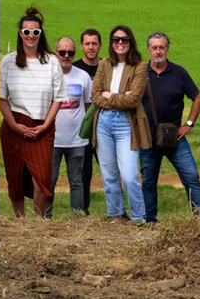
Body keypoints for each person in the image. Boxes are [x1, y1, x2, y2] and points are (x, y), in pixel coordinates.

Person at [0, 7, 67, 217]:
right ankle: (20, 223)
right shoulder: (8, 62)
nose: (30, 36)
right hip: (15, 124)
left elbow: (58, 98)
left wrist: (46, 125)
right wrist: (13, 125)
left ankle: (38, 224)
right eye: (26, 32)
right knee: (16, 177)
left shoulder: (52, 61)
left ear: (40, 34)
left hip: (42, 125)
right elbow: (1, 99)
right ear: (20, 33)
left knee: (41, 180)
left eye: (35, 32)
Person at [140, 32, 200, 223]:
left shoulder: (179, 72)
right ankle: (150, 221)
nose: (158, 51)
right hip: (147, 138)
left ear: (167, 49)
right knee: (148, 181)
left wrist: (189, 124)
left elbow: (197, 97)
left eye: (161, 47)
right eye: (154, 47)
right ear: (148, 50)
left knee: (192, 178)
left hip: (175, 138)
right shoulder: (140, 73)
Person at [91, 25, 151, 222]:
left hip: (127, 123)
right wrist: (118, 97)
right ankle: (115, 214)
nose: (120, 43)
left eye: (124, 39)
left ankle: (138, 217)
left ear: (130, 42)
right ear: (111, 43)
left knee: (129, 176)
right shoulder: (104, 64)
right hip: (104, 123)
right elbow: (95, 96)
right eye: (116, 39)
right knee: (109, 176)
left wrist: (109, 95)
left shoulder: (140, 66)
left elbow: (133, 100)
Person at [46, 37, 92, 219]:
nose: (66, 56)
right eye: (62, 52)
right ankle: (45, 219)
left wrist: (84, 130)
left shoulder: (83, 76)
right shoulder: (48, 75)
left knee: (77, 182)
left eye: (70, 53)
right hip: (52, 140)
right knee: (49, 181)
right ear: (55, 53)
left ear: (75, 54)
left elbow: (88, 105)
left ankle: (77, 219)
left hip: (76, 140)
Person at [73, 28, 102, 215]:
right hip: (82, 130)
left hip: (104, 129)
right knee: (83, 173)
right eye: (87, 44)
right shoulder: (74, 69)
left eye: (94, 43)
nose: (91, 47)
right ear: (82, 46)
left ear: (100, 45)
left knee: (111, 171)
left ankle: (118, 212)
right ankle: (82, 211)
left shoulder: (107, 66)